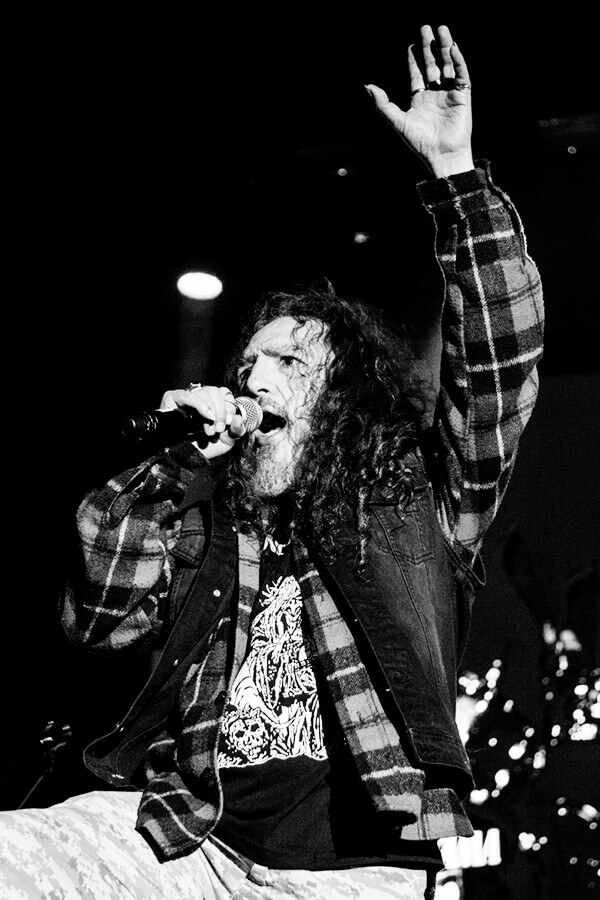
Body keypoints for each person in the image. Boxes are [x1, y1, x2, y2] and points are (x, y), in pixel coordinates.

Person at [0, 24, 544, 900]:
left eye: (291, 361)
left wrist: (455, 174)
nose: (256, 377)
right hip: (192, 839)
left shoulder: (417, 500)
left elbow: (498, 361)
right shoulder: (212, 516)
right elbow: (98, 619)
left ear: (344, 398)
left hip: (359, 867)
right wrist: (175, 469)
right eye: (250, 362)